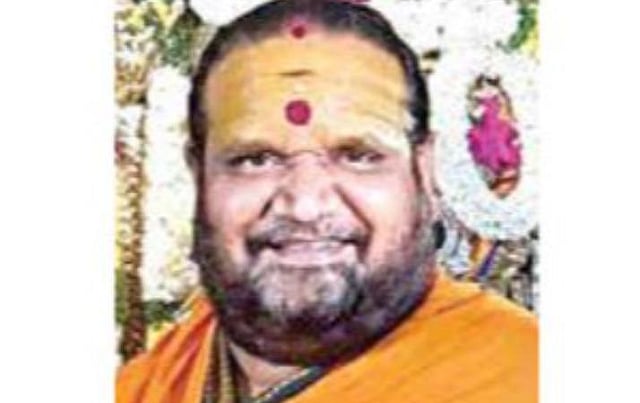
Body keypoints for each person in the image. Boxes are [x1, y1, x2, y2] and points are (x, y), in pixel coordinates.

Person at [116, 1, 537, 402]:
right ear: (199, 173)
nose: (305, 206)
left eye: (358, 156)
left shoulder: (523, 377)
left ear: (424, 171)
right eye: (255, 159)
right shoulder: (145, 385)